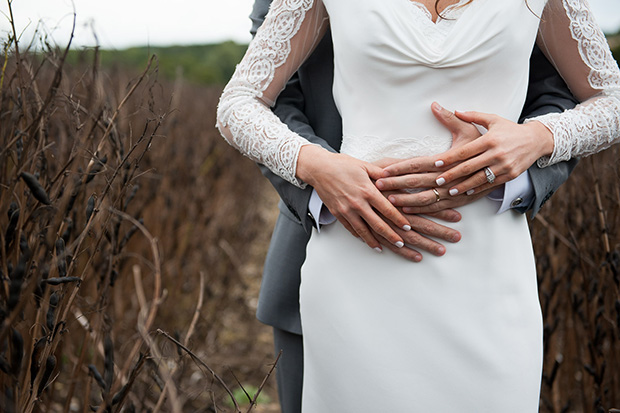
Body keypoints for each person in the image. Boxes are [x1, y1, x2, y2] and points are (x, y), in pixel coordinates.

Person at [217, 0, 620, 411]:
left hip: (487, 266)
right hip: (355, 257)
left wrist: (537, 137)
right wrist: (317, 165)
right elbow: (241, 102)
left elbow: (609, 98)